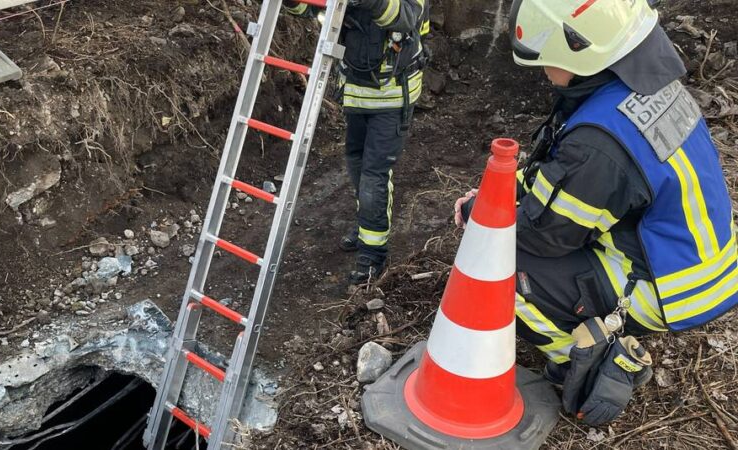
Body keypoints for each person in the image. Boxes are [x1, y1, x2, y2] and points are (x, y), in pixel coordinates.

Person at [455, 0, 738, 426]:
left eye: (548, 59)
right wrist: (503, 192)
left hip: (668, 288)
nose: (544, 72)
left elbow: (544, 232)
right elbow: (568, 181)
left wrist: (482, 216)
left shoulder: (598, 146)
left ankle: (585, 363)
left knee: (499, 263)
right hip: (703, 260)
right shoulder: (643, 86)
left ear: (579, 50)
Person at [284, 0, 430, 284]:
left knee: (374, 175)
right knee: (356, 163)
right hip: (355, 90)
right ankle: (367, 223)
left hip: (392, 95)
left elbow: (404, 18)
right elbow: (314, 10)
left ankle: (372, 256)